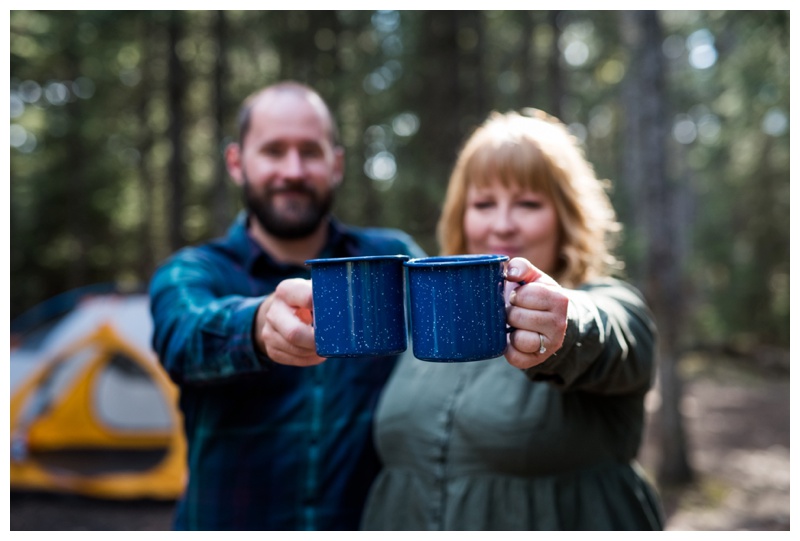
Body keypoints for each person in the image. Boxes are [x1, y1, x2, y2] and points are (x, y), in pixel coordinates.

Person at [359, 109, 665, 530]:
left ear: (566, 216)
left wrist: (564, 323)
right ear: (461, 218)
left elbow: (613, 334)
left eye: (528, 203)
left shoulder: (611, 301)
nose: (501, 225)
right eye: (483, 203)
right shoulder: (421, 320)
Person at [149, 81, 425, 530]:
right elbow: (181, 336)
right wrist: (257, 326)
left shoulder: (392, 259)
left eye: (310, 152)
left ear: (336, 164)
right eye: (274, 151)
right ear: (237, 163)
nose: (293, 170)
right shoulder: (193, 271)